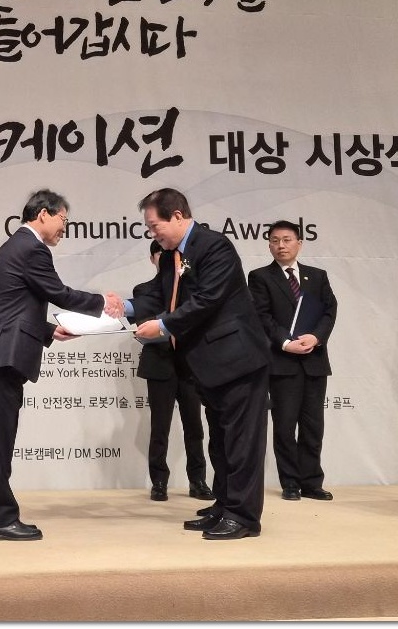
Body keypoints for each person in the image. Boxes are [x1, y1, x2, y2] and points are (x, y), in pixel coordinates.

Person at [0, 189, 124, 541]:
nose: (65, 227)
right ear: (43, 214)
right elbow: (58, 293)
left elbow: (14, 305)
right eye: (63, 219)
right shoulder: (31, 248)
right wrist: (103, 302)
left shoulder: (18, 246)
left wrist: (49, 330)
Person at [132, 188, 269, 540]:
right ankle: (224, 506)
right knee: (220, 441)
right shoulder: (171, 256)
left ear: (177, 216)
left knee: (241, 441)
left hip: (237, 360)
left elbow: (208, 299)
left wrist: (163, 326)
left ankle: (244, 516)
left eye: (155, 225)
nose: (153, 233)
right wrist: (123, 308)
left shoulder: (214, 246)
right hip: (208, 366)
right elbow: (157, 295)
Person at [247, 220, 338, 501]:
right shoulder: (260, 277)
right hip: (282, 362)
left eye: (287, 240)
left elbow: (330, 310)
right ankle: (290, 482)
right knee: (285, 426)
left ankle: (312, 482)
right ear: (269, 245)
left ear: (299, 243)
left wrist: (316, 337)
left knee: (313, 426)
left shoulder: (317, 276)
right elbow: (262, 316)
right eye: (275, 241)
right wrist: (286, 343)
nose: (281, 246)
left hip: (314, 360)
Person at [131, 240, 213, 503]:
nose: (166, 260)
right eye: (160, 255)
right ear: (153, 259)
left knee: (194, 426)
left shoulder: (192, 289)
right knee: (160, 427)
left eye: (171, 255)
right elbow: (144, 326)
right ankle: (159, 482)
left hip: (189, 364)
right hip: (159, 363)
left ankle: (198, 481)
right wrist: (171, 323)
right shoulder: (144, 290)